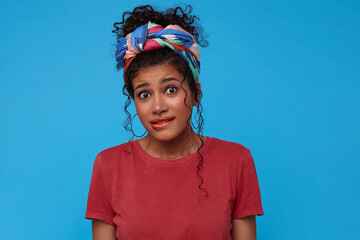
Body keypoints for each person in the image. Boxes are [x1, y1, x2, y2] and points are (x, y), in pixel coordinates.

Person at [85, 5, 264, 240]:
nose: (158, 107)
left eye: (171, 89)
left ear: (195, 92)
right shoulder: (108, 166)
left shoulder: (236, 161)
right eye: (144, 94)